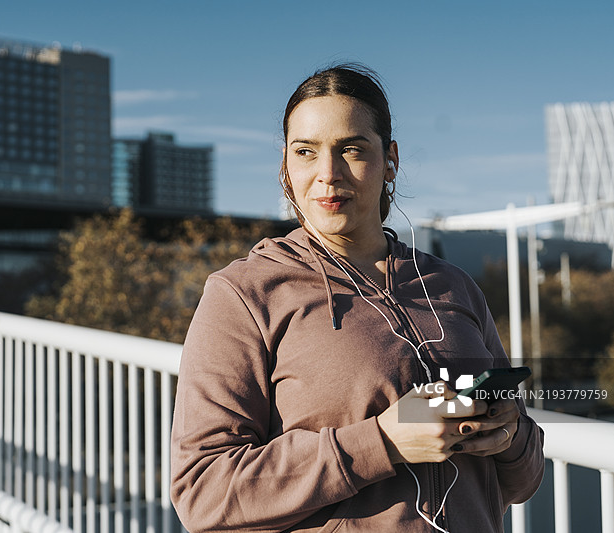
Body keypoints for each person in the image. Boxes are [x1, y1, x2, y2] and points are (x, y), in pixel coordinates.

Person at [170, 63, 544, 533]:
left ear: (390, 160)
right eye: (306, 152)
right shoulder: (244, 294)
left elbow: (524, 481)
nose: (328, 174)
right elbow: (202, 493)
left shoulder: (453, 285)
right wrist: (381, 443)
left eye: (351, 149)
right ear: (285, 165)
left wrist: (510, 436)